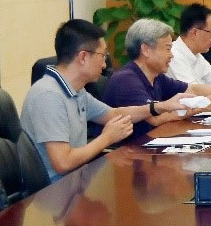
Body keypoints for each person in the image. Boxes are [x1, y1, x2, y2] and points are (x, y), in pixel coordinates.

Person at [20, 19, 191, 182]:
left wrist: (159, 107)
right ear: (83, 57)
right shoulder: (49, 96)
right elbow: (63, 163)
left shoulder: (77, 91)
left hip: (76, 182)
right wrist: (107, 138)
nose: (104, 65)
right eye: (102, 56)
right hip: (54, 193)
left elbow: (114, 114)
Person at [103, 19, 211, 139]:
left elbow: (192, 89)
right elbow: (155, 119)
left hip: (151, 143)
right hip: (126, 151)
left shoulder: (157, 77)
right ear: (146, 50)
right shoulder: (126, 80)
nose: (171, 55)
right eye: (167, 49)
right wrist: (202, 105)